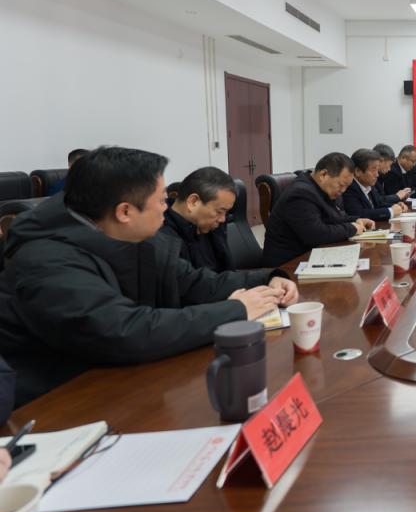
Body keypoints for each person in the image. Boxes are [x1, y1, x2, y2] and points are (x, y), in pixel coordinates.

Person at [0, 147, 297, 406]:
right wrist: (236, 310)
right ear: (125, 211)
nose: (167, 209)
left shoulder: (131, 238)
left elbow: (194, 282)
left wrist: (267, 279)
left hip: (124, 382)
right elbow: (127, 331)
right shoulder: (45, 261)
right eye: (161, 201)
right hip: (57, 405)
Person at [261, 152, 375, 266]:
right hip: (288, 264)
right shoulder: (300, 194)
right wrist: (352, 228)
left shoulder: (322, 189)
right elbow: (316, 234)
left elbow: (334, 218)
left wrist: (356, 220)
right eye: (341, 185)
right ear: (323, 175)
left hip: (311, 255)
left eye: (347, 186)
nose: (343, 190)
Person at [160, 166, 270, 273]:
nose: (223, 219)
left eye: (226, 212)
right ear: (193, 202)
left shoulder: (211, 226)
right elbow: (196, 282)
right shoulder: (162, 239)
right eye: (219, 211)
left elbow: (227, 271)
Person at [341, 149, 407, 222]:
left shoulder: (369, 185)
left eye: (377, 170)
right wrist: (390, 211)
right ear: (357, 171)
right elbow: (358, 214)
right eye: (373, 170)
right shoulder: (349, 187)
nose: (377, 175)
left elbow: (378, 204)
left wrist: (395, 205)